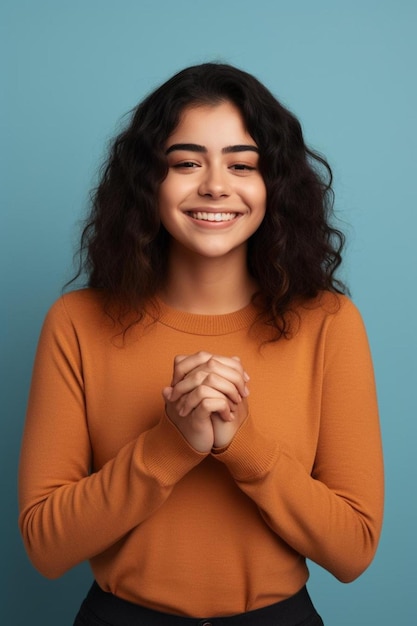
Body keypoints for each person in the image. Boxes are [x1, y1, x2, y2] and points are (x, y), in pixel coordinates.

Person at [18, 63, 384, 626]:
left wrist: (242, 445)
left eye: (242, 165)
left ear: (274, 186)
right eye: (186, 163)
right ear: (148, 182)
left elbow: (354, 550)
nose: (215, 185)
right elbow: (45, 547)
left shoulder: (329, 323)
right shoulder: (76, 322)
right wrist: (171, 445)